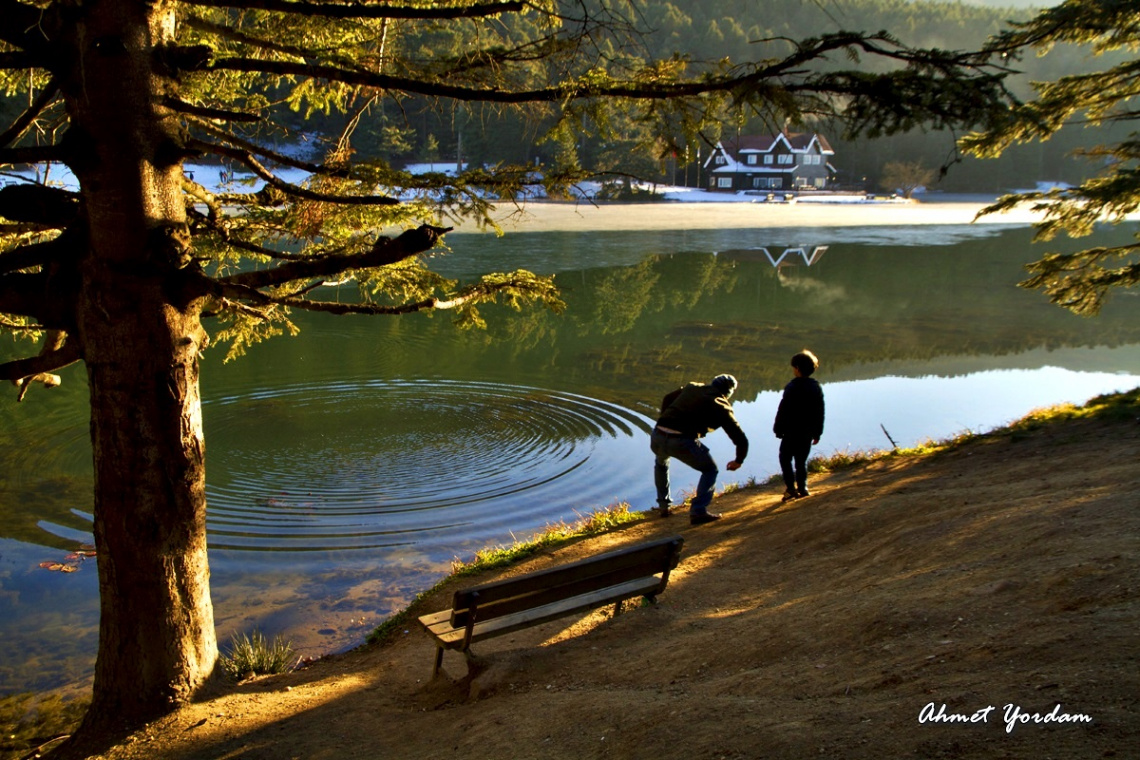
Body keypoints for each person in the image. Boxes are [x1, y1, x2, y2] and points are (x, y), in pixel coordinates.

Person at [651, 374, 749, 525]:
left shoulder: (692, 387)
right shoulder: (721, 404)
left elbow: (667, 398)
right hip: (680, 441)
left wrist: (664, 417)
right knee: (710, 470)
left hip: (657, 434)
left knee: (661, 463)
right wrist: (739, 460)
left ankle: (664, 506)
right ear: (729, 393)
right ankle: (698, 511)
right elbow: (739, 437)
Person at [773, 350, 825, 501]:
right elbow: (820, 412)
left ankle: (790, 489)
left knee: (785, 458)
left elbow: (783, 409)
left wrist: (778, 428)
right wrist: (817, 433)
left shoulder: (792, 387)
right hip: (807, 432)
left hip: (791, 431)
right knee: (801, 461)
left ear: (797, 368)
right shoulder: (816, 387)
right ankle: (803, 488)